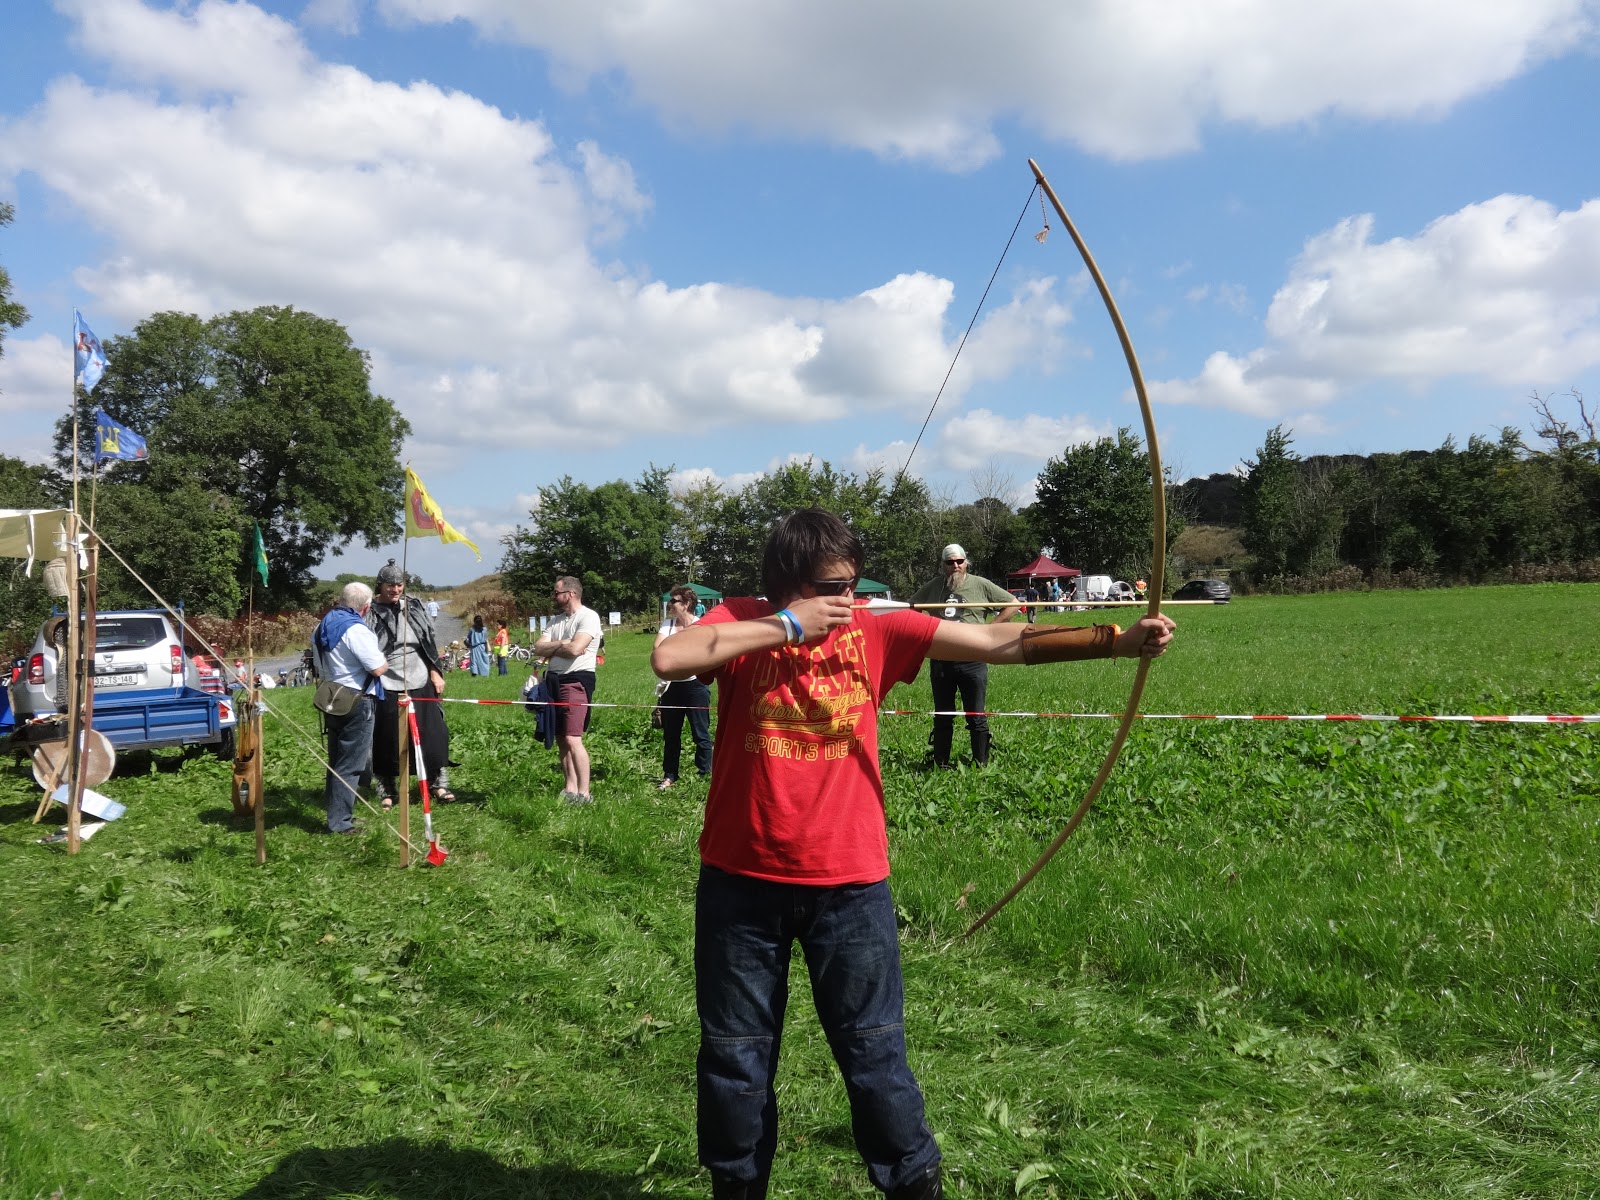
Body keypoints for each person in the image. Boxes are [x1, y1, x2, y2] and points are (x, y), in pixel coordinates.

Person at [652, 509, 1174, 1200]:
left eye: (852, 583)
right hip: (739, 885)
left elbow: (997, 641)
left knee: (875, 1057)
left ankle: (911, 1186)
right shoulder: (743, 619)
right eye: (833, 587)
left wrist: (1115, 641)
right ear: (788, 584)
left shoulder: (876, 625)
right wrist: (787, 626)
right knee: (735, 1060)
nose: (850, 598)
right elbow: (670, 659)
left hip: (850, 887)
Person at [906, 544, 1020, 767]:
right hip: (941, 661)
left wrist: (989, 630)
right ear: (943, 565)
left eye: (959, 561)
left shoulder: (980, 584)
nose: (955, 566)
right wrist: (924, 631)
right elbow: (911, 609)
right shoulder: (933, 587)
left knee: (976, 715)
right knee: (943, 715)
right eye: (950, 562)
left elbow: (1013, 604)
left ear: (966, 562)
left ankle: (981, 764)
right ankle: (940, 763)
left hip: (973, 660)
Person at [367, 559, 456, 805]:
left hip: (419, 673)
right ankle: (387, 788)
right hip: (386, 678)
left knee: (432, 733)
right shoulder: (370, 611)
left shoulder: (414, 606)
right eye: (390, 585)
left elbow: (429, 640)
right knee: (386, 736)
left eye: (399, 584)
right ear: (380, 585)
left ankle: (437, 783)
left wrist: (435, 671)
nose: (396, 590)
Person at [312, 582, 388, 834]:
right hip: (357, 700)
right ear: (366, 606)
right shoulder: (356, 629)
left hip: (331, 696)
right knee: (350, 764)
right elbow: (377, 668)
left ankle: (339, 815)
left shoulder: (322, 626)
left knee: (336, 761)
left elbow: (319, 667)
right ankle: (340, 823)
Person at [534, 575, 603, 804]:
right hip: (553, 681)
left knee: (574, 738)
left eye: (557, 592)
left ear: (570, 594)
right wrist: (563, 644)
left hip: (576, 681)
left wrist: (558, 648)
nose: (554, 596)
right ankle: (570, 788)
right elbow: (538, 648)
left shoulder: (589, 617)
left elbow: (576, 649)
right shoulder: (556, 621)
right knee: (561, 738)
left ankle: (585, 793)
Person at [652, 585, 713, 790]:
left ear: (686, 604)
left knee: (701, 733)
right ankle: (670, 775)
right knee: (671, 734)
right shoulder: (667, 624)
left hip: (696, 686)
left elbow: (701, 654)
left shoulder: (700, 625)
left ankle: (704, 774)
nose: (669, 604)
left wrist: (674, 653)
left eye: (674, 601)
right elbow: (658, 649)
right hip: (671, 687)